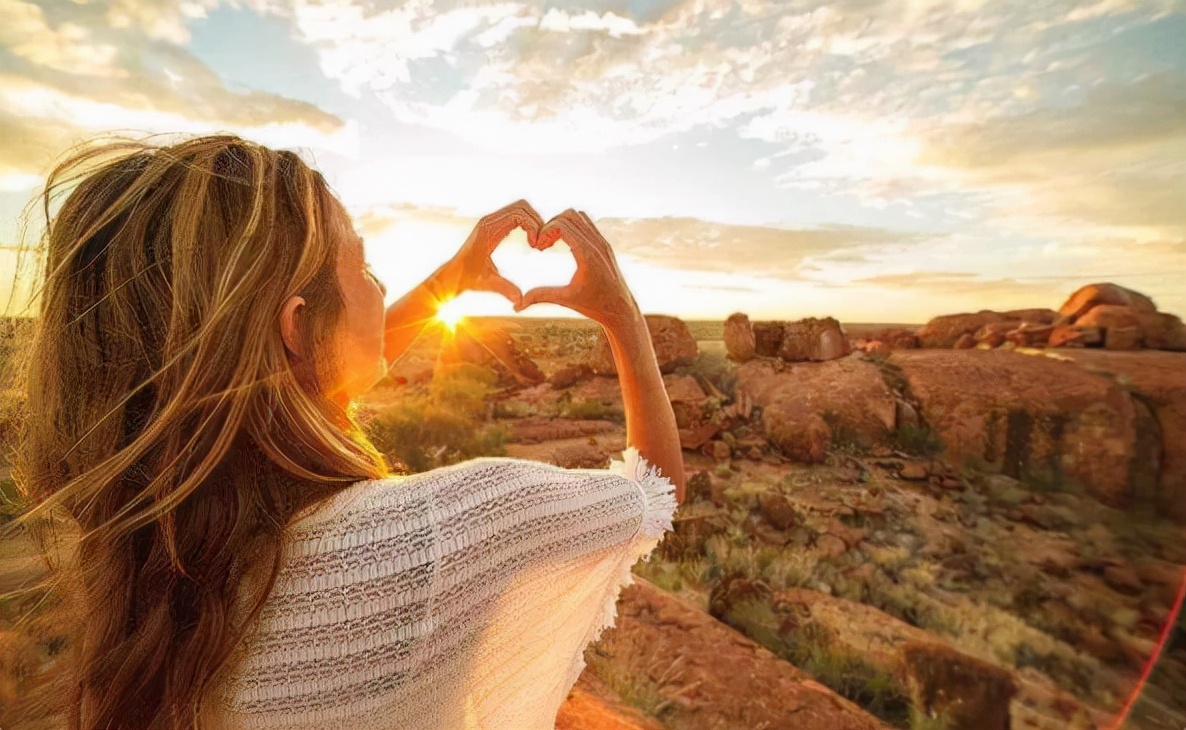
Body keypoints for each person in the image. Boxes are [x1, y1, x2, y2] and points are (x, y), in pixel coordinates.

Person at [0, 134, 686, 729]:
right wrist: (621, 314)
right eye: (360, 265)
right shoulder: (449, 529)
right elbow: (657, 493)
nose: (381, 287)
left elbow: (291, 383)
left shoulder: (160, 558)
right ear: (296, 326)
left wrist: (453, 278)